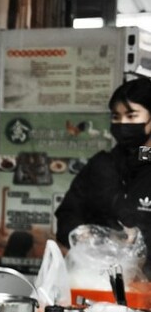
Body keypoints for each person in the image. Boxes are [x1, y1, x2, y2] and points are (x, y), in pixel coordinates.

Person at [56, 77, 151, 251]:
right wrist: (79, 233)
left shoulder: (146, 164)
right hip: (97, 266)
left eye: (131, 116)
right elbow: (67, 213)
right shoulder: (102, 164)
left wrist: (140, 244)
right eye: (116, 117)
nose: (122, 123)